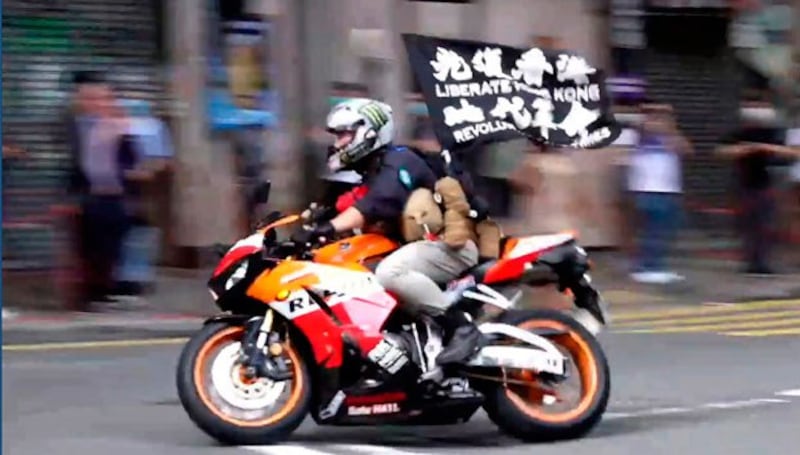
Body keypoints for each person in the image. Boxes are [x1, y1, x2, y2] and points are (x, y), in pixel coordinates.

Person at [293, 98, 483, 366]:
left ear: (369, 131)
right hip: (421, 250)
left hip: (450, 247)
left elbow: (378, 201)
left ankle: (459, 327)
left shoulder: (400, 161)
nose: (338, 144)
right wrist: (314, 224)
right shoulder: (374, 171)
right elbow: (349, 203)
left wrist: (329, 226)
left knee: (389, 273)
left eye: (344, 135)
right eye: (337, 137)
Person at [718, 98, 799, 274]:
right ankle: (750, 261)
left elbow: (791, 153)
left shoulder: (773, 133)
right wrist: (747, 149)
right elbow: (721, 151)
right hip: (743, 182)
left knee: (766, 223)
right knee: (746, 223)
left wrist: (765, 148)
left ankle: (763, 261)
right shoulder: (738, 132)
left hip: (768, 182)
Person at [627, 102, 692, 284]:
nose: (660, 120)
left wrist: (670, 131)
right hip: (649, 190)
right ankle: (647, 267)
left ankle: (655, 266)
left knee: (664, 230)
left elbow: (686, 149)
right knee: (652, 230)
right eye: (655, 116)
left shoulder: (669, 138)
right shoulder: (638, 136)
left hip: (669, 190)